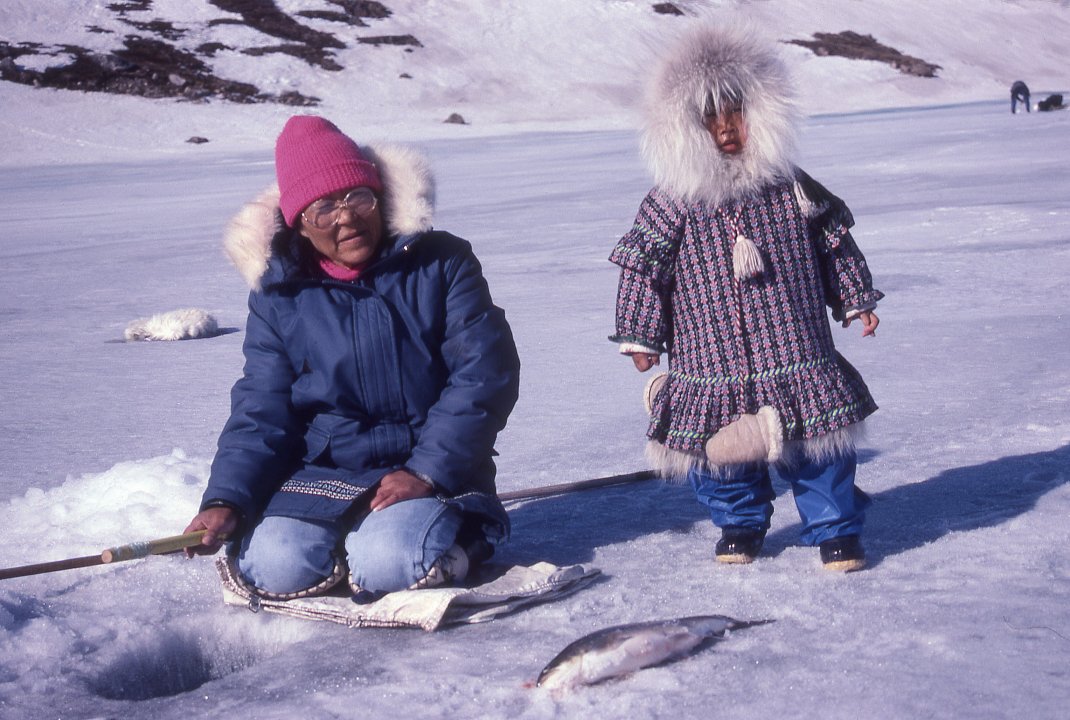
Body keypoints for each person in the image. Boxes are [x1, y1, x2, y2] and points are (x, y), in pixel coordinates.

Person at [184, 115, 521, 600]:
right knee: (275, 565)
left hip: (432, 464)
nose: (346, 217)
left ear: (377, 195)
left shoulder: (442, 263)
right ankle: (347, 545)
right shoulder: (278, 295)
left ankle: (466, 538)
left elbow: (483, 374)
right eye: (323, 207)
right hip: (328, 471)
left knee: (390, 562)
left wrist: (425, 471)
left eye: (356, 196)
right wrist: (226, 498)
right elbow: (262, 406)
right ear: (299, 221)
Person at [609, 22, 883, 572]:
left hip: (796, 351)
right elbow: (644, 268)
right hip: (709, 360)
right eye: (709, 117)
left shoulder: (791, 186)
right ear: (683, 127)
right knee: (722, 456)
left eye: (736, 112)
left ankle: (834, 528)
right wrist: (641, 335)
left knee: (819, 447)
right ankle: (740, 522)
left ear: (761, 111)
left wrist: (855, 297)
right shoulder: (673, 202)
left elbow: (834, 240)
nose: (726, 128)